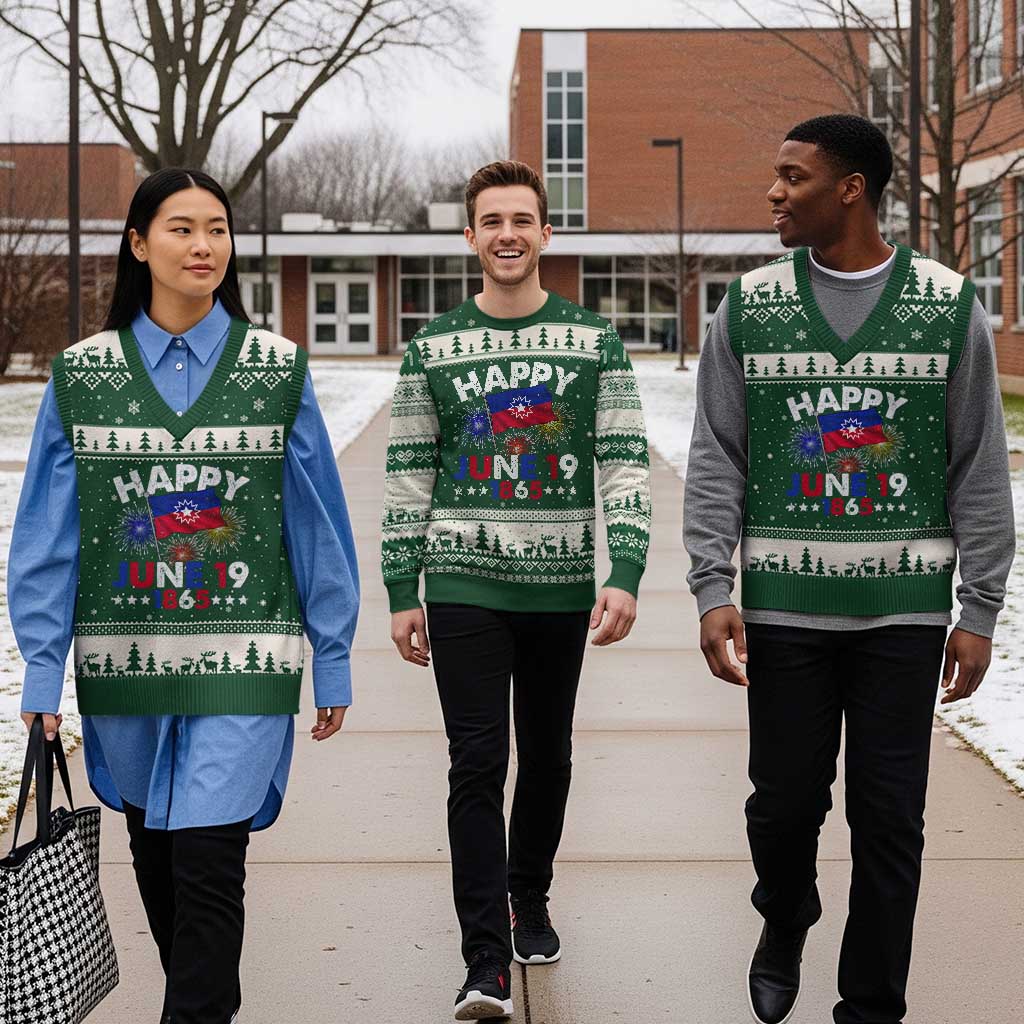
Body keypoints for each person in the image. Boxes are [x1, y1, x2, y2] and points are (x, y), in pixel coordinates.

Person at [684, 113, 1015, 1024]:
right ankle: (784, 914)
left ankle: (871, 1005)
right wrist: (713, 586)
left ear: (851, 189)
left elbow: (977, 463)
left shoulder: (946, 305)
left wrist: (980, 608)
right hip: (786, 611)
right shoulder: (750, 305)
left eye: (793, 176)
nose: (774, 192)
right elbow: (718, 453)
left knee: (889, 823)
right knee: (782, 809)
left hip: (904, 616)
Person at [11, 168, 359, 1024]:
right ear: (138, 244)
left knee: (210, 863)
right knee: (159, 860)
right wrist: (42, 675)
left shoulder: (277, 371)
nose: (203, 246)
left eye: (216, 229)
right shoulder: (82, 376)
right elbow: (47, 538)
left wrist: (334, 654)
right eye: (180, 229)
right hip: (123, 664)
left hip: (244, 660)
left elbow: (315, 522)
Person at [381, 160, 652, 1021]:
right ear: (469, 236)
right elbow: (407, 474)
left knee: (549, 753)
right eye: (491, 220)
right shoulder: (433, 348)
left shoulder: (593, 341)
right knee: (477, 761)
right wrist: (401, 586)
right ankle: (484, 961)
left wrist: (627, 569)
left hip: (560, 587)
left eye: (522, 220)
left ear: (546, 233)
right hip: (462, 578)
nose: (507, 234)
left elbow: (623, 459)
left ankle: (527, 895)